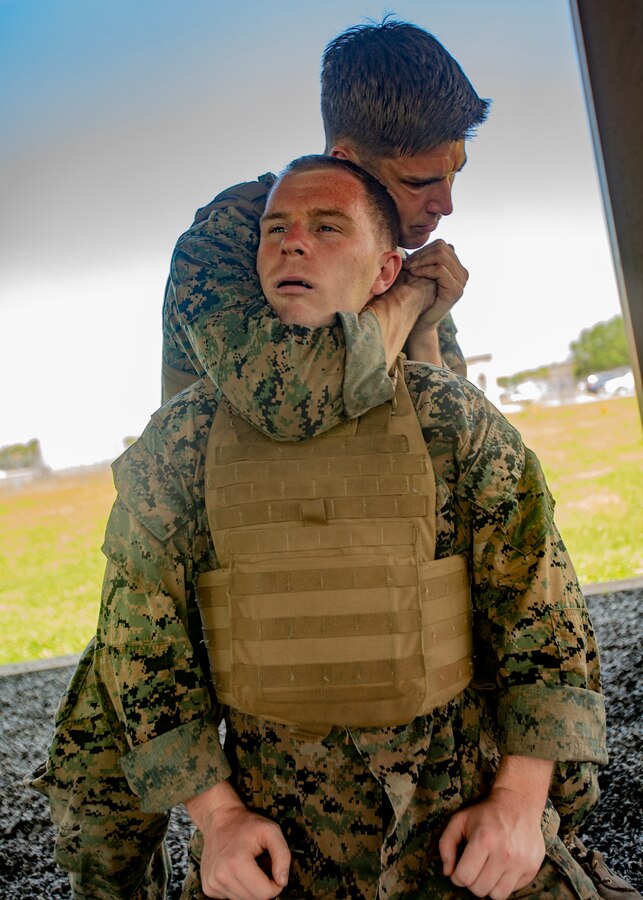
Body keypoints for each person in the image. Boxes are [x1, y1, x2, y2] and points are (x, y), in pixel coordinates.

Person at [32, 156, 609, 899]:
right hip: (277, 841)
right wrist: (220, 821)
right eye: (276, 230)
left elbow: (544, 616)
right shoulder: (178, 445)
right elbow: (142, 647)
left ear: (384, 272)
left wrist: (519, 805)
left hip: (456, 820)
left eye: (326, 228)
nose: (291, 243)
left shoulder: (451, 419)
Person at [160, 19, 489, 423]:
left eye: (454, 172)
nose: (446, 203)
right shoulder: (226, 239)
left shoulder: (396, 260)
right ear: (346, 163)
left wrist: (423, 334)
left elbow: (459, 440)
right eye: (418, 182)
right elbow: (289, 398)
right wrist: (408, 300)